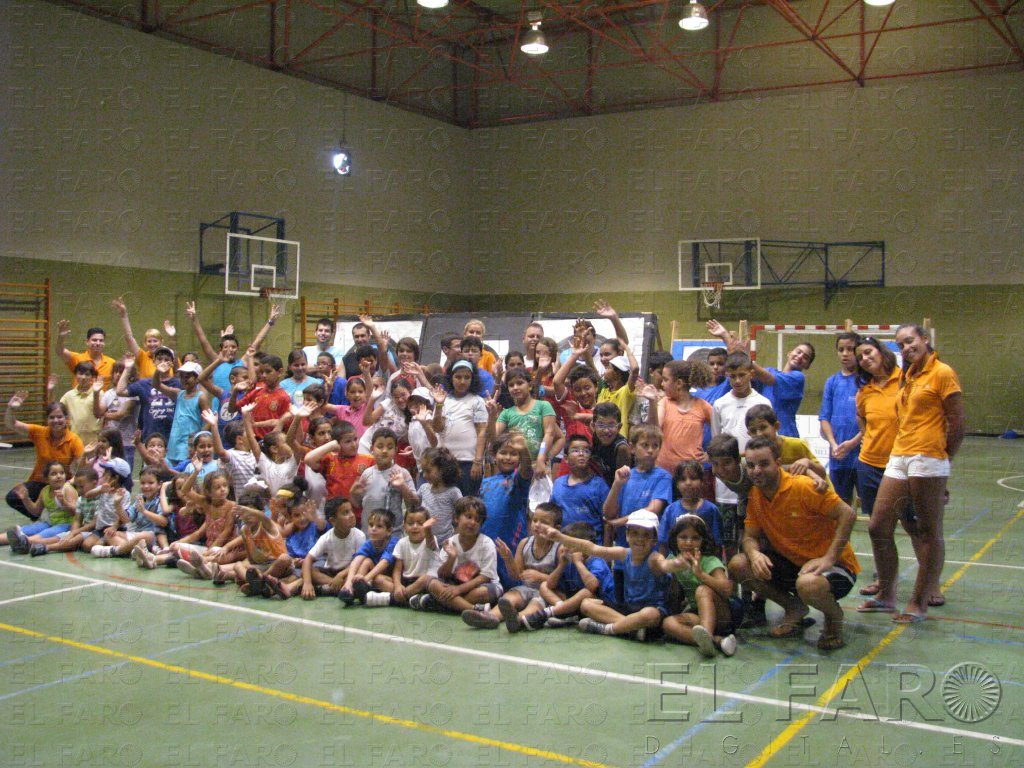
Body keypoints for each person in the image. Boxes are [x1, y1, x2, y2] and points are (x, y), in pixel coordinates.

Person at [860, 324, 964, 624]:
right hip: (900, 455)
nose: (906, 348)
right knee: (878, 525)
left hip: (928, 457)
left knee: (928, 531)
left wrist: (943, 461)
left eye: (910, 341)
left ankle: (918, 603)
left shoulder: (942, 372)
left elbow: (958, 424)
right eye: (901, 344)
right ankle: (886, 595)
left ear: (925, 339)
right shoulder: (909, 375)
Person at [729, 437, 859, 651]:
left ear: (778, 463)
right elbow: (750, 537)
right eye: (751, 465)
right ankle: (794, 608)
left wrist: (829, 558)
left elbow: (848, 514)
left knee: (807, 584)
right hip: (794, 566)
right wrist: (754, 555)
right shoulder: (755, 495)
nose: (756, 471)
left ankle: (833, 616)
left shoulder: (803, 486)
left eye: (763, 464)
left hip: (835, 568)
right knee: (739, 564)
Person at [537, 509, 670, 640]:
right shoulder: (624, 553)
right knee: (587, 604)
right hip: (628, 610)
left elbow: (667, 565)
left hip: (650, 615)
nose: (640, 539)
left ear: (655, 539)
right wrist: (560, 537)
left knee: (649, 614)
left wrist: (675, 563)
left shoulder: (655, 558)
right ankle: (630, 628)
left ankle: (608, 629)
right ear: (627, 536)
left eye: (646, 535)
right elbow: (592, 548)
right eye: (635, 533)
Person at [851, 337, 901, 597]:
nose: (865, 358)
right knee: (879, 528)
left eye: (868, 352)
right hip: (869, 466)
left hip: (902, 465)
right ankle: (883, 581)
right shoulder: (864, 392)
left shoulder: (905, 381)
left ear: (882, 352)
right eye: (860, 357)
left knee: (915, 527)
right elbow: (864, 423)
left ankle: (930, 586)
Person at [461, 502, 562, 631]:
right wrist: (508, 558)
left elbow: (563, 582)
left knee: (536, 604)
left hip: (547, 593)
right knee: (509, 598)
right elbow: (516, 576)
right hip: (526, 588)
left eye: (544, 522)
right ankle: (490, 617)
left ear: (556, 528)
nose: (537, 525)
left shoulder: (559, 548)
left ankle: (518, 619)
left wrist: (541, 576)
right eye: (535, 520)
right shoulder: (524, 543)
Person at [707, 320, 812, 437]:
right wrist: (731, 344)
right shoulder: (769, 371)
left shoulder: (797, 378)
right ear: (789, 353)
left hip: (785, 436)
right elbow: (744, 370)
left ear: (807, 365)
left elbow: (767, 377)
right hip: (762, 437)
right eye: (799, 352)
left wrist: (735, 348)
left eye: (805, 357)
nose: (800, 356)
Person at [661, 515, 738, 657]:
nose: (688, 542)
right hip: (699, 614)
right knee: (668, 623)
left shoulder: (709, 560)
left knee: (702, 590)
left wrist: (701, 574)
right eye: (683, 537)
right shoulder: (674, 560)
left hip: (724, 614)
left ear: (703, 540)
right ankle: (717, 641)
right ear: (675, 539)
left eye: (695, 538)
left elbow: (727, 590)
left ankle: (707, 635)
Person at [4, 394, 84, 520]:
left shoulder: (74, 440)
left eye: (59, 417)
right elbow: (12, 424)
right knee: (13, 497)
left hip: (63, 482)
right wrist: (11, 408)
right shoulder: (39, 432)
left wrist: (70, 483)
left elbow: (82, 469)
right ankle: (36, 516)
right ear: (47, 419)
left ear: (67, 419)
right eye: (51, 417)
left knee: (76, 503)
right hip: (40, 481)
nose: (56, 420)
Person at [416, 497, 502, 613]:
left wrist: (458, 590)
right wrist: (451, 558)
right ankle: (474, 609)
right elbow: (442, 574)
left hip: (481, 585)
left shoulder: (487, 544)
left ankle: (438, 603)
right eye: (468, 517)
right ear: (456, 518)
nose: (473, 522)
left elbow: (485, 577)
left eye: (477, 520)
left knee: (483, 592)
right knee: (432, 584)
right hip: (455, 584)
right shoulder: (450, 542)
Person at [357, 507, 442, 608]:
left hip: (425, 583)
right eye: (410, 523)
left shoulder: (430, 540)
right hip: (406, 582)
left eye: (420, 524)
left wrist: (428, 529)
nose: (415, 527)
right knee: (378, 579)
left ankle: (390, 599)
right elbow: (397, 570)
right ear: (404, 525)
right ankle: (412, 599)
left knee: (424, 579)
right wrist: (397, 586)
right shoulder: (401, 543)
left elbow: (430, 542)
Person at [819, 332, 863, 503]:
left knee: (870, 504)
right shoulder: (832, 382)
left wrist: (852, 443)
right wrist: (834, 444)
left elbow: (872, 421)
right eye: (841, 349)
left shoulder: (866, 381)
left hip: (864, 455)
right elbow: (824, 417)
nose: (845, 354)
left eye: (850, 349)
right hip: (839, 456)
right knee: (841, 503)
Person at [433, 360, 488, 497]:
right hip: (445, 461)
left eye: (466, 377)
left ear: (472, 379)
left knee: (466, 502)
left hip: (468, 463)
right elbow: (437, 428)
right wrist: (439, 406)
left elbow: (482, 432)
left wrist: (477, 461)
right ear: (451, 378)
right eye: (458, 377)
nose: (462, 381)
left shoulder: (477, 401)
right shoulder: (444, 400)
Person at [653, 359, 714, 474]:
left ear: (679, 383)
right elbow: (655, 428)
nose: (662, 384)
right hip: (664, 472)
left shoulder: (703, 406)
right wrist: (652, 402)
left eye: (665, 380)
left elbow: (719, 431)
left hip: (690, 474)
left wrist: (710, 454)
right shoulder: (664, 402)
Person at [3, 461, 78, 553]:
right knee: (26, 529)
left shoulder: (67, 489)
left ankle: (24, 543)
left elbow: (75, 512)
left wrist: (63, 502)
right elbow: (36, 511)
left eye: (62, 473)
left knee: (40, 535)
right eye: (54, 474)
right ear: (46, 479)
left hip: (66, 525)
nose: (59, 476)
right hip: (50, 523)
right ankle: (13, 539)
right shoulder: (45, 491)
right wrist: (26, 499)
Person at [551, 434, 610, 537]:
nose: (581, 454)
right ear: (566, 458)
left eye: (586, 451)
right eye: (575, 451)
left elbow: (608, 521)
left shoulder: (599, 485)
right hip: (564, 542)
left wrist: (606, 546)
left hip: (591, 543)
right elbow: (553, 515)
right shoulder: (558, 483)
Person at [658, 460, 723, 552]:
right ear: (677, 484)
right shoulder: (670, 510)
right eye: (683, 479)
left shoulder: (711, 510)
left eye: (693, 478)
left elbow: (717, 544)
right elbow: (663, 543)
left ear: (702, 482)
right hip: (676, 559)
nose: (688, 483)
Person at [56, 319, 116, 389]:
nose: (98, 343)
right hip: (79, 396)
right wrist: (61, 337)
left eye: (101, 340)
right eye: (94, 340)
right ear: (87, 342)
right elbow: (60, 351)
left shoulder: (111, 363)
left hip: (101, 396)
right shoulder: (77, 358)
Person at [60, 363, 103, 445]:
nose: (83, 377)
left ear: (92, 377)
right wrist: (50, 391)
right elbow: (57, 410)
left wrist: (96, 393)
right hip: (74, 439)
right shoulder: (69, 395)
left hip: (93, 439)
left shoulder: (99, 393)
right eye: (80, 374)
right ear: (75, 375)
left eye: (87, 374)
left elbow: (100, 414)